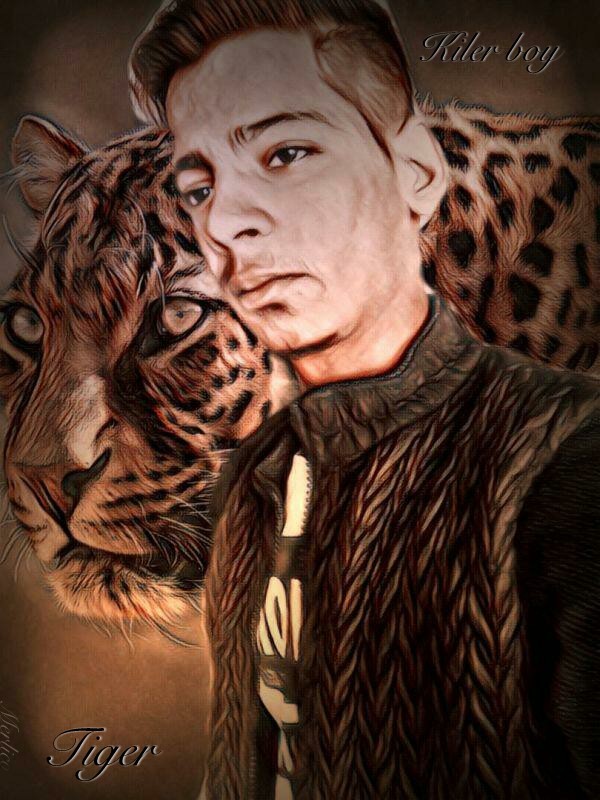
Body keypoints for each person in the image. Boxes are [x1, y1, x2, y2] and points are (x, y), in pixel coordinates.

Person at [129, 2, 600, 798]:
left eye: (285, 153)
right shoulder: (251, 482)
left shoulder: (567, 456)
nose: (228, 222)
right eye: (199, 185)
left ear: (416, 171)